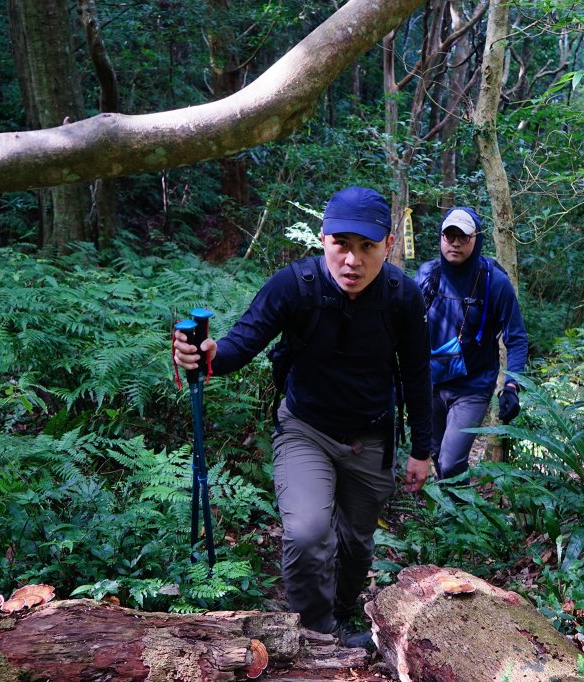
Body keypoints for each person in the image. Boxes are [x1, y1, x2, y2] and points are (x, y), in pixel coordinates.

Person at [173, 186, 432, 649]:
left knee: (356, 544)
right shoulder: (294, 286)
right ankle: (315, 631)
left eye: (367, 247)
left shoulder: (402, 297)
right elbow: (240, 344)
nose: (352, 260)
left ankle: (342, 612)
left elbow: (417, 375)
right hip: (305, 429)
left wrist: (421, 450)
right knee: (308, 532)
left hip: (372, 437)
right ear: (322, 238)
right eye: (341, 244)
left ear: (388, 245)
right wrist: (208, 355)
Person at [415, 206, 528, 480]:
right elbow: (405, 328)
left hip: (473, 386)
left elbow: (516, 338)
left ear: (476, 239)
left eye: (463, 237)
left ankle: (460, 503)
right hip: (431, 383)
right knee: (437, 454)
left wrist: (512, 386)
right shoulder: (427, 275)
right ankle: (453, 507)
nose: (455, 243)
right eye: (449, 235)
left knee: (450, 462)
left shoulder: (494, 283)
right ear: (441, 237)